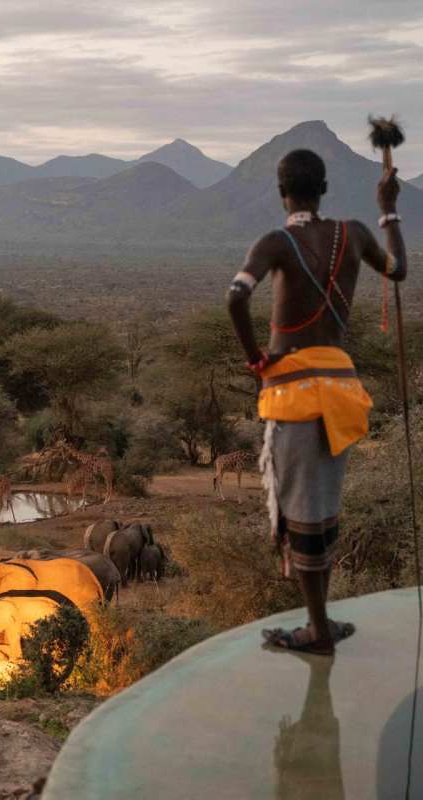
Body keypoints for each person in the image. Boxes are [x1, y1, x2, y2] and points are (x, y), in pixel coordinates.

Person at [226, 149, 407, 655]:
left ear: (282, 192)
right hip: (344, 394)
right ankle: (321, 623)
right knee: (323, 510)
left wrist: (255, 358)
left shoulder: (276, 242)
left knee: (302, 516)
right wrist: (387, 208)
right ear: (324, 188)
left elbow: (236, 297)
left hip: (295, 400)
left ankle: (319, 632)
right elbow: (398, 270)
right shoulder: (355, 234)